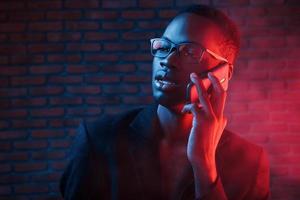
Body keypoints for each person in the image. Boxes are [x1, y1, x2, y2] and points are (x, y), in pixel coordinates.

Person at [60, 4, 270, 200]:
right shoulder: (97, 141)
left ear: (223, 73)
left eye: (189, 51)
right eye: (164, 46)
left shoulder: (249, 163)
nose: (168, 60)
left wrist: (205, 166)